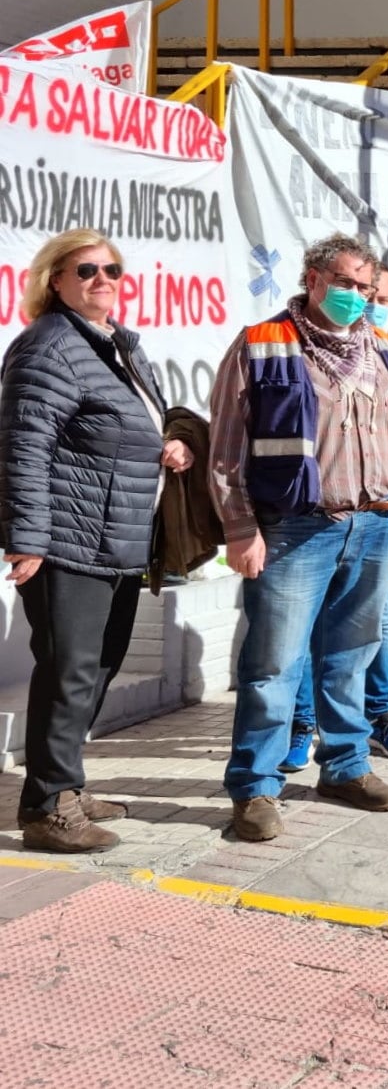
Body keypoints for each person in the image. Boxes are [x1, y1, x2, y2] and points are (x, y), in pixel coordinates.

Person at [209, 234, 388, 841]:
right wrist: (241, 528)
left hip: (376, 524)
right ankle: (254, 787)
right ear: (313, 278)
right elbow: (225, 450)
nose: (357, 297)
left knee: (350, 657)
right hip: (296, 530)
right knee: (273, 663)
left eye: (366, 286)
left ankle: (346, 766)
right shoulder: (261, 344)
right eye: (347, 283)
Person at [1, 229, 186, 853]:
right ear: (55, 280)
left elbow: (118, 430)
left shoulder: (115, 347)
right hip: (67, 542)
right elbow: (24, 448)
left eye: (112, 269)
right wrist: (26, 538)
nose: (102, 279)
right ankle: (49, 810)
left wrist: (167, 446)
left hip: (117, 538)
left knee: (97, 669)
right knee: (70, 671)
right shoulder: (48, 347)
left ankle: (63, 786)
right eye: (86, 270)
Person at [287, 263, 388, 768]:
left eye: (377, 294)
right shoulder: (298, 349)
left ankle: (379, 719)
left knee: (374, 626)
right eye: (357, 290)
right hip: (315, 521)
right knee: (309, 628)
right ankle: (302, 725)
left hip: (382, 522)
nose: (366, 302)